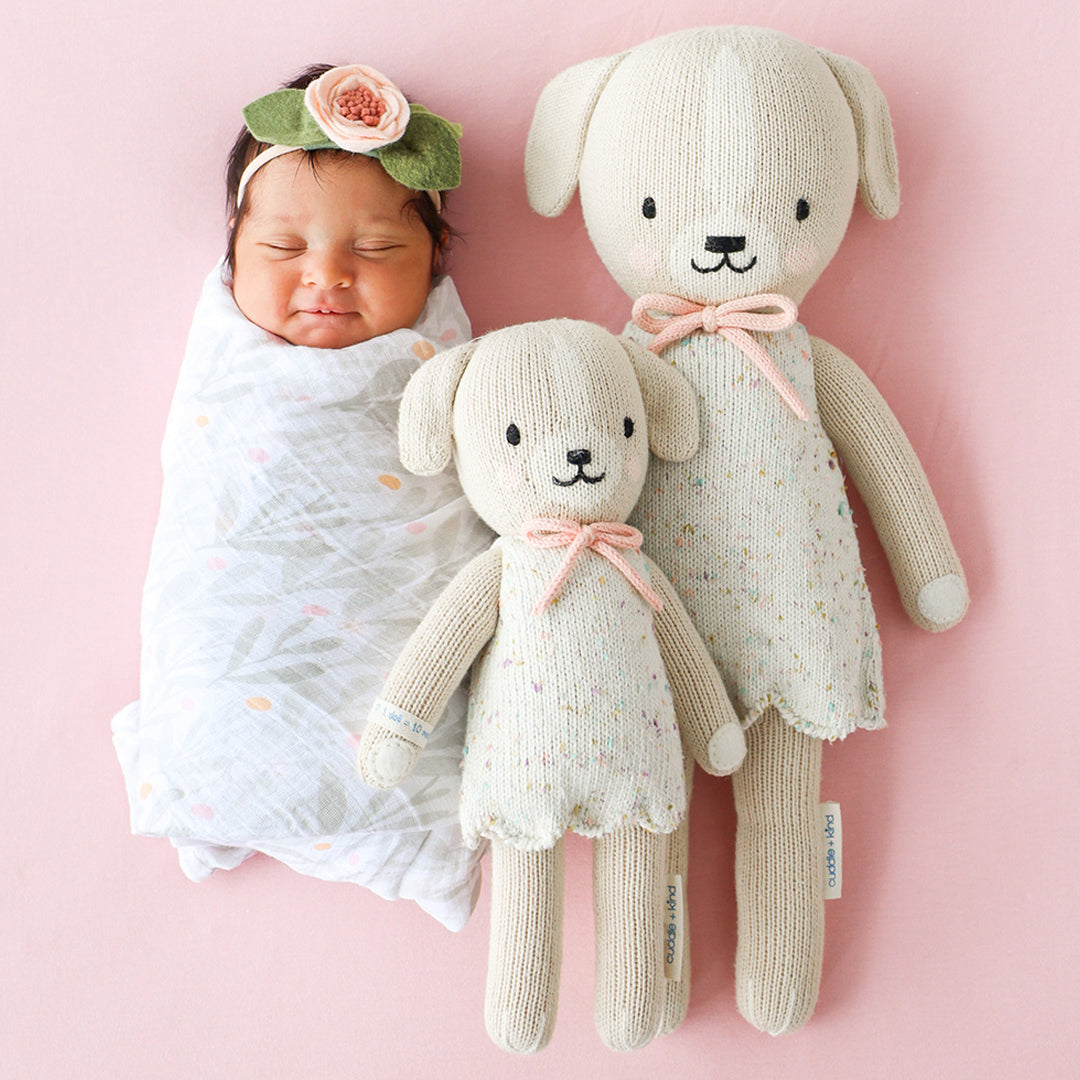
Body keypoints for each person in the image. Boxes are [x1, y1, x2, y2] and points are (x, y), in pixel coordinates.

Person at [112, 64, 493, 931]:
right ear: (233, 255)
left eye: (375, 250)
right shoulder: (229, 372)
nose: (326, 277)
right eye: (285, 250)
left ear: (435, 266)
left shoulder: (451, 373)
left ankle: (422, 849)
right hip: (237, 626)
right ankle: (207, 796)